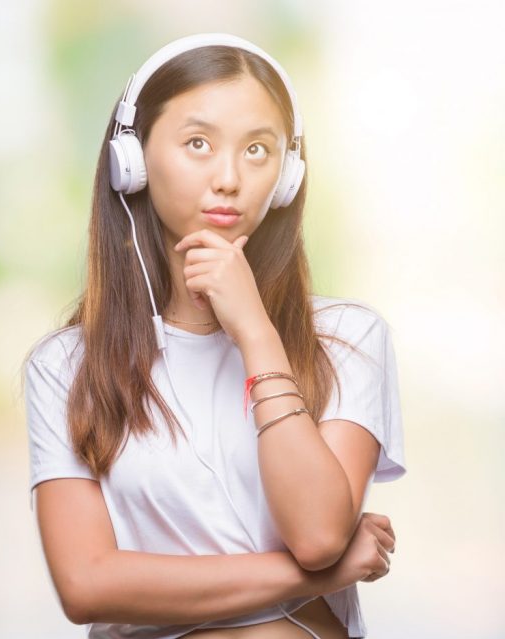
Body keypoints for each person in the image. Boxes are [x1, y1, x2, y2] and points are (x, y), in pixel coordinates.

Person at [22, 33, 407, 639]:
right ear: (135, 160)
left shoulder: (348, 338)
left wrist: (254, 328)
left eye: (258, 150)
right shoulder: (66, 365)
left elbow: (318, 534)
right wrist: (313, 580)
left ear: (287, 174)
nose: (229, 177)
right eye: (198, 143)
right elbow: (87, 585)